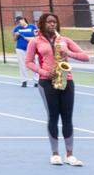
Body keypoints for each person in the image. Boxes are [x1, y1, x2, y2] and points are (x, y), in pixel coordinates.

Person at [25, 13, 90, 166]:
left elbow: (85, 56)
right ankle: (55, 154)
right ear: (42, 24)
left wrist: (68, 53)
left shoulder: (64, 40)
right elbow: (28, 62)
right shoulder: (35, 41)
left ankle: (70, 155)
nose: (52, 24)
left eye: (54, 22)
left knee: (67, 117)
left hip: (66, 80)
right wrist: (44, 72)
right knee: (53, 117)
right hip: (47, 81)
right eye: (49, 22)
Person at [12, 16, 38, 87]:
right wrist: (16, 35)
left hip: (32, 48)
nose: (18, 23)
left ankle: (36, 81)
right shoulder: (17, 28)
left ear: (23, 20)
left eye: (19, 21)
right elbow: (14, 39)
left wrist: (31, 38)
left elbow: (37, 36)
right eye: (17, 22)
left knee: (34, 63)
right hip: (20, 49)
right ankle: (24, 81)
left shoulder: (32, 27)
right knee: (22, 65)